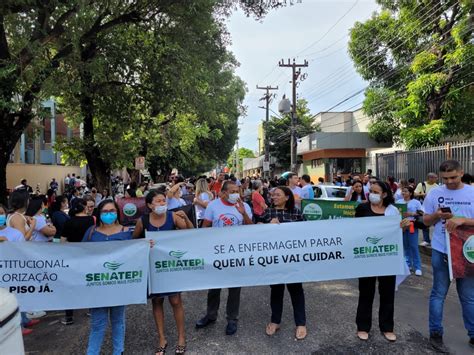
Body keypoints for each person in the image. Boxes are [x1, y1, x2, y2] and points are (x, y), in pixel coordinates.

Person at [422, 160, 474, 352]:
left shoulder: (472, 192)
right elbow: (425, 221)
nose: (450, 182)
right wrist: (436, 215)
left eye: (453, 177)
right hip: (441, 249)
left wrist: (463, 220)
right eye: (445, 179)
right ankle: (435, 333)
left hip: (467, 251)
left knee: (468, 296)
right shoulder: (435, 193)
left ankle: (473, 334)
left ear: (462, 173)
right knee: (438, 293)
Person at [133, 190, 193, 354]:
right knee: (157, 301)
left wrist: (186, 218)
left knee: (175, 301)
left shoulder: (173, 217)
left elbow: (192, 234)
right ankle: (162, 338)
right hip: (153, 267)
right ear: (149, 205)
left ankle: (181, 337)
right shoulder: (143, 221)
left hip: (171, 266)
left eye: (163, 201)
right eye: (158, 201)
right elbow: (133, 242)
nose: (162, 204)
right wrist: (144, 243)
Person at [195, 181, 253, 335]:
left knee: (234, 287)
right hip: (217, 252)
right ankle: (211, 315)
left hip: (236, 253)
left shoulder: (244, 206)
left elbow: (252, 228)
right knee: (214, 287)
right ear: (224, 192)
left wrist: (243, 213)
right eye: (233, 191)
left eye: (238, 190)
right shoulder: (213, 206)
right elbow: (205, 227)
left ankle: (232, 318)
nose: (236, 194)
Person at [354, 180, 408, 343]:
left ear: (384, 194)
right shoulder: (362, 208)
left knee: (387, 293)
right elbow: (354, 230)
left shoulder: (392, 211)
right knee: (366, 293)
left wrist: (403, 226)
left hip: (387, 258)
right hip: (367, 257)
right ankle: (363, 327)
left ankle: (387, 327)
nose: (372, 194)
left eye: (376, 192)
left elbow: (397, 234)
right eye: (371, 191)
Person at [82, 199, 133, 355]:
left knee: (118, 321)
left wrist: (146, 245)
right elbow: (81, 253)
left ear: (117, 212)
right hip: (98, 285)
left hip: (118, 284)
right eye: (105, 211)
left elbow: (134, 254)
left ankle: (119, 351)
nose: (109, 214)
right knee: (97, 323)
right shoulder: (91, 232)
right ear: (99, 213)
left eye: (112, 211)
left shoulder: (126, 232)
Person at [261, 186, 307, 340]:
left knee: (296, 291)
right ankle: (275, 321)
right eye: (272, 195)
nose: (273, 197)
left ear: (287, 197)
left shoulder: (296, 212)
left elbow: (307, 233)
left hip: (292, 259)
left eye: (277, 195)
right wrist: (268, 226)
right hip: (274, 260)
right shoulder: (267, 212)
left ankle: (301, 323)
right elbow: (255, 231)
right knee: (276, 291)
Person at [60, 199, 96, 325]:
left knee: (70, 285)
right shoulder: (92, 220)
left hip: (73, 257)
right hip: (89, 256)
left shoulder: (68, 222)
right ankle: (93, 310)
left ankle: (69, 316)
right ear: (84, 207)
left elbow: (63, 242)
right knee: (91, 282)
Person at [396, 186, 423, 276]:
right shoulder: (399, 202)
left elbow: (421, 213)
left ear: (410, 193)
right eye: (402, 191)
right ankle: (408, 265)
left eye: (405, 191)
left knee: (413, 246)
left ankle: (417, 267)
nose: (403, 193)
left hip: (412, 225)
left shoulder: (416, 202)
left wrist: (411, 213)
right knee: (405, 246)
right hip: (402, 225)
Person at [416, 172, 439, 247]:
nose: (437, 179)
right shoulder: (422, 185)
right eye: (435, 178)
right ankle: (426, 240)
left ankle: (437, 239)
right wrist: (423, 194)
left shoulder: (437, 186)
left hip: (434, 207)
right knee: (425, 223)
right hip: (424, 207)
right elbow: (415, 194)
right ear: (430, 178)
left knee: (436, 223)